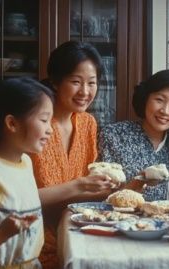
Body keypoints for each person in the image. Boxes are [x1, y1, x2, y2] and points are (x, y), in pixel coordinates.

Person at [30, 41, 114, 268]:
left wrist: (125, 187)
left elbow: (86, 194)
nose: (85, 92)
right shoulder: (34, 124)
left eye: (92, 83)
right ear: (56, 82)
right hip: (30, 238)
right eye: (76, 82)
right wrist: (78, 186)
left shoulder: (88, 123)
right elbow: (15, 199)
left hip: (76, 233)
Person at [98, 69, 169, 201]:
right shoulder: (113, 135)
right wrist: (134, 185)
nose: (165, 111)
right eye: (159, 100)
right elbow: (98, 196)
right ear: (145, 98)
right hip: (118, 218)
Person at [0, 77, 54, 267]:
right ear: (12, 124)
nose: (50, 130)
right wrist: (3, 233)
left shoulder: (27, 162)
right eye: (44, 120)